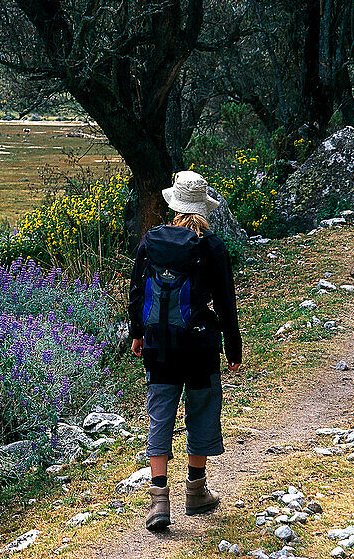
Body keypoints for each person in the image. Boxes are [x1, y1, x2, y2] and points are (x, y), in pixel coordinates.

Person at [128, 170, 242, 532]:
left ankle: (159, 500)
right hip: (200, 344)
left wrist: (137, 334)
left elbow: (136, 291)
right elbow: (225, 302)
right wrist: (232, 346)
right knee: (201, 409)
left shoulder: (151, 241)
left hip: (159, 344)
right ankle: (195, 490)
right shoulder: (213, 245)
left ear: (173, 205)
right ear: (204, 208)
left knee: (160, 414)